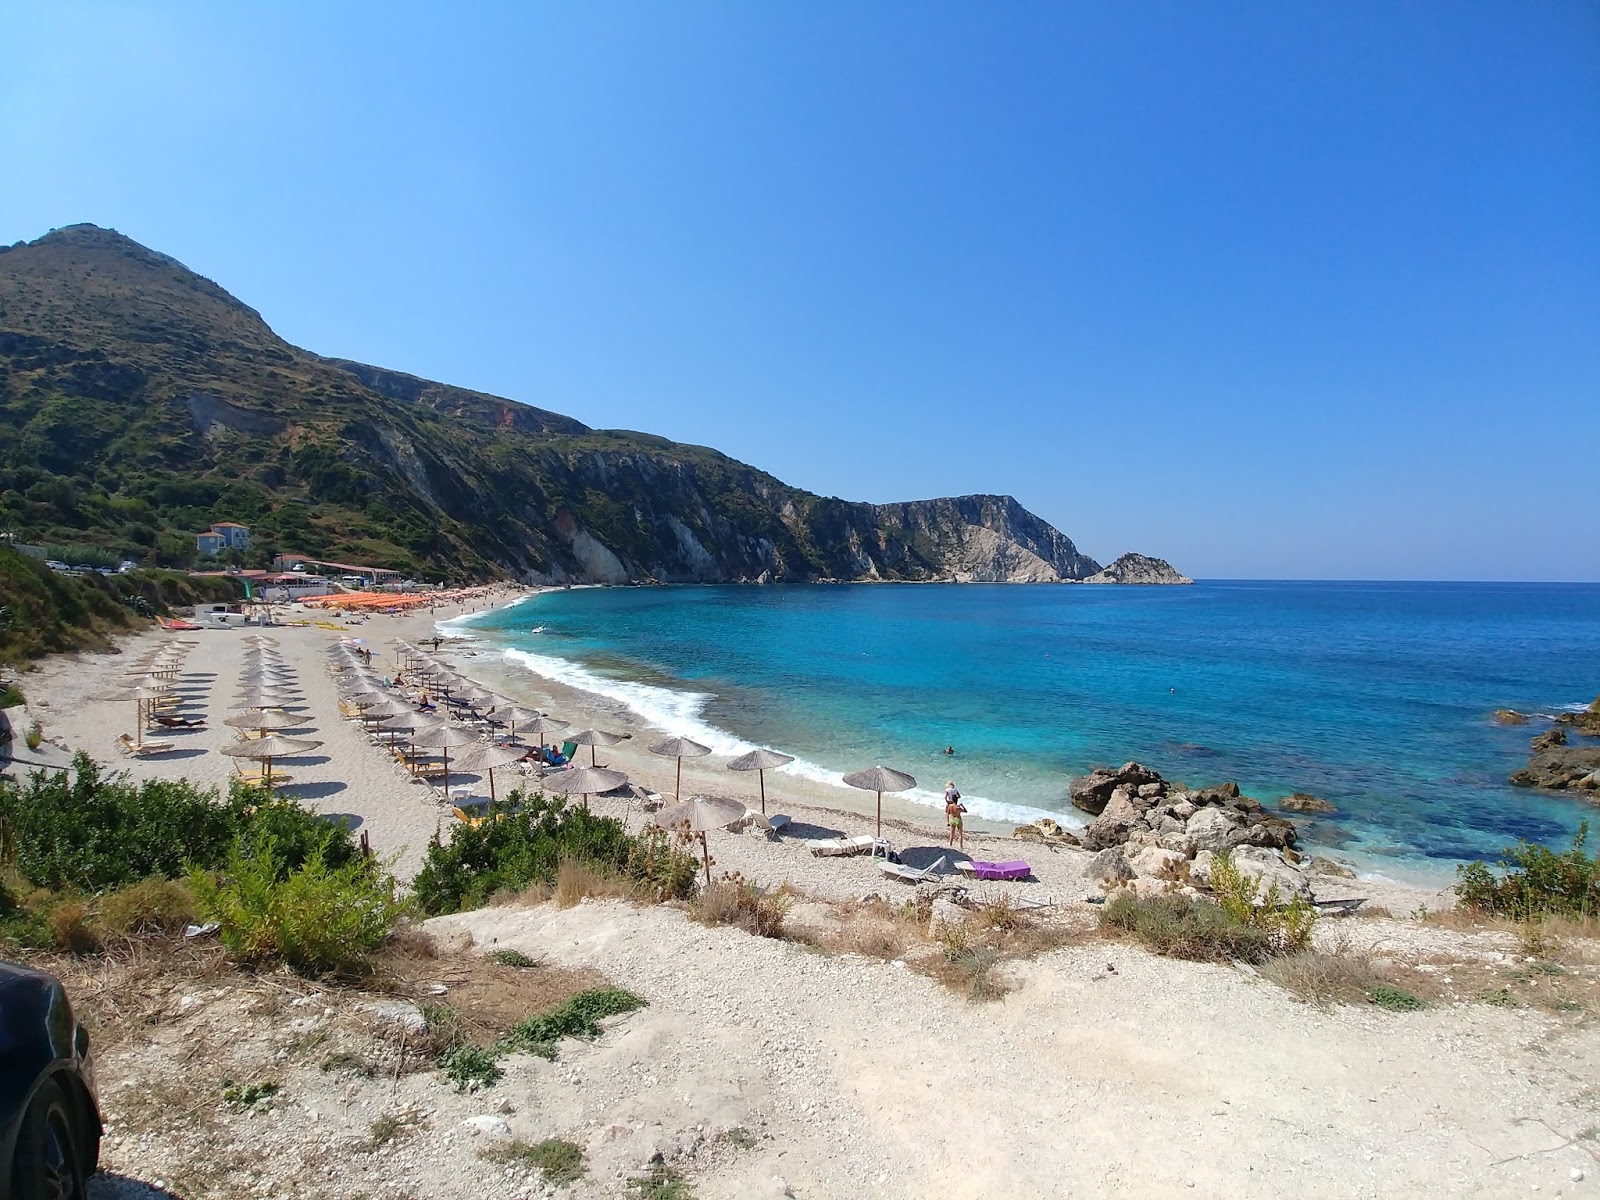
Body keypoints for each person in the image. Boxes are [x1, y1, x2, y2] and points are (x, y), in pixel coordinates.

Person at [944, 781, 967, 850]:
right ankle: (961, 846)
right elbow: (959, 796)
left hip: (952, 815)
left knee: (947, 813)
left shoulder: (947, 790)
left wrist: (947, 801)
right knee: (960, 833)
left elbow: (945, 797)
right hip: (958, 818)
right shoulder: (955, 790)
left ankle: (950, 844)